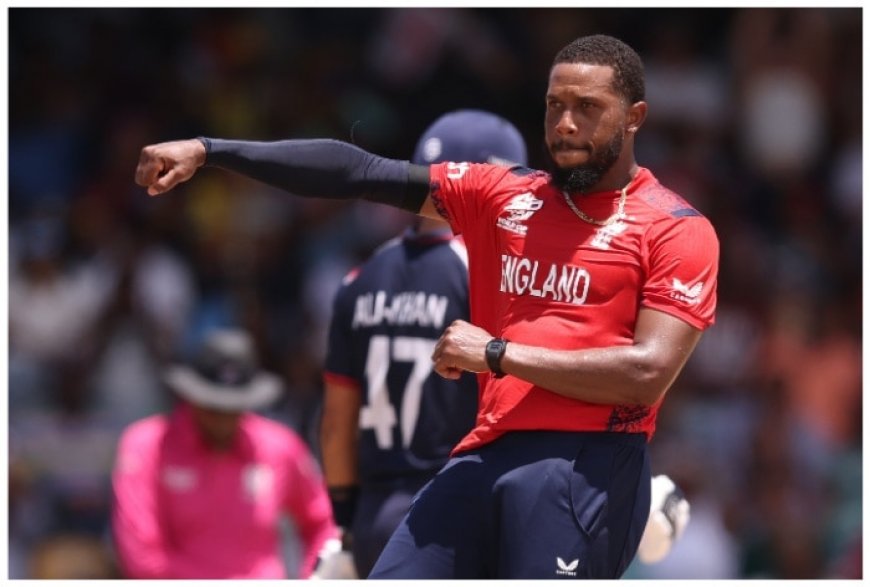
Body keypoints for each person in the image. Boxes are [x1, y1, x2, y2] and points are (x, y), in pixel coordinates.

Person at [134, 34, 719, 579]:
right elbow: (358, 171)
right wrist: (211, 150)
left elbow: (645, 375)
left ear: (634, 117)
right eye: (553, 105)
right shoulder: (503, 195)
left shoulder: (674, 228)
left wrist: (494, 354)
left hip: (584, 466)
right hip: (484, 455)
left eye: (587, 107)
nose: (564, 124)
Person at [319, 109, 527, 578]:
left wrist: (347, 525)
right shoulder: (484, 274)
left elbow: (335, 426)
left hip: (374, 516)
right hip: (452, 511)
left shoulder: (359, 278)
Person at [110, 328, 337, 579]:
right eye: (213, 406)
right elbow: (141, 557)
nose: (222, 420)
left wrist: (314, 578)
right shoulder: (147, 446)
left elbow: (324, 519)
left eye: (232, 408)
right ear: (191, 395)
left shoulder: (278, 446)